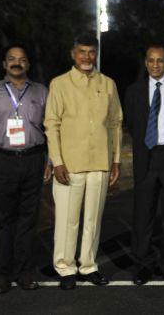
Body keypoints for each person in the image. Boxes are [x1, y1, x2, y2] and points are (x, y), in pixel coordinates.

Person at [44, 34, 122, 290]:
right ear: (73, 54)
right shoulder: (59, 84)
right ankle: (65, 268)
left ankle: (88, 266)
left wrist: (116, 161)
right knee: (68, 219)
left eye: (91, 52)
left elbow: (115, 124)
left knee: (93, 219)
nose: (87, 57)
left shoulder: (108, 84)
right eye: (82, 52)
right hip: (69, 164)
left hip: (100, 162)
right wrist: (57, 161)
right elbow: (51, 124)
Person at [0, 45, 51, 294]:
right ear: (5, 64)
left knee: (29, 219)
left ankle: (26, 272)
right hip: (3, 161)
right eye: (12, 59)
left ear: (27, 64)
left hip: (33, 159)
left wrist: (50, 161)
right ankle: (3, 275)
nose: (17, 63)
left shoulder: (42, 91)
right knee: (4, 220)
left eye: (22, 59)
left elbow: (51, 129)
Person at [124, 45, 164, 285]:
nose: (155, 65)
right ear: (145, 62)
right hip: (147, 157)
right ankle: (142, 264)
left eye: (160, 60)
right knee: (143, 215)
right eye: (151, 60)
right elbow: (131, 123)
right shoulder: (134, 91)